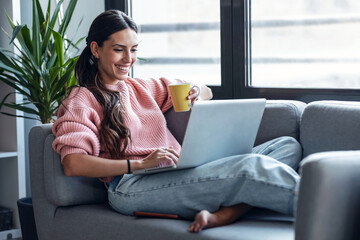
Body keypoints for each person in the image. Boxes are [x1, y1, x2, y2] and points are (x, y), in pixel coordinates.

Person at [52, 10, 302, 233]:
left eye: (134, 49)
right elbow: (74, 164)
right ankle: (327, 208)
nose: (129, 58)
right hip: (131, 186)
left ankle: (226, 214)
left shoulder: (141, 87)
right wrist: (138, 164)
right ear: (96, 49)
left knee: (286, 146)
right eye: (119, 49)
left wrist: (195, 90)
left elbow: (205, 90)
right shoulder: (81, 99)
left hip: (176, 169)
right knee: (249, 167)